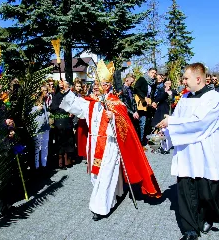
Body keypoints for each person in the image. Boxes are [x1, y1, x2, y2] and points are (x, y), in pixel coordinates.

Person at [158, 63, 219, 240]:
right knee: (185, 190)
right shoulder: (185, 97)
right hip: (186, 152)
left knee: (206, 192)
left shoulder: (213, 97)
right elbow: (179, 120)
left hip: (205, 153)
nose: (184, 82)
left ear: (198, 79)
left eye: (186, 78)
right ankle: (190, 230)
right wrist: (165, 132)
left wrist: (171, 123)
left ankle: (208, 217)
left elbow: (200, 123)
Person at [59, 61, 161, 221]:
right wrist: (66, 92)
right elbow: (78, 106)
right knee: (97, 175)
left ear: (107, 85)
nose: (94, 86)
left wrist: (113, 117)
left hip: (110, 144)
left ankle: (100, 207)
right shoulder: (92, 102)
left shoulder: (116, 103)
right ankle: (115, 194)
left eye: (98, 84)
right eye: (94, 84)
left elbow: (124, 124)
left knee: (106, 174)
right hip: (94, 144)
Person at [134, 68, 158, 146]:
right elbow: (136, 88)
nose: (153, 74)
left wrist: (153, 101)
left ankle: (141, 142)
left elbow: (152, 94)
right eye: (152, 72)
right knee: (138, 123)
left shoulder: (154, 83)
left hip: (147, 105)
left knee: (144, 123)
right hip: (139, 103)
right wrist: (144, 97)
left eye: (155, 73)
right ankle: (137, 141)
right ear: (148, 72)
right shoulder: (142, 79)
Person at [31, 85, 50, 171]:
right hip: (37, 128)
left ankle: (44, 164)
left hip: (45, 127)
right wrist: (36, 109)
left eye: (46, 90)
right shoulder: (33, 101)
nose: (46, 92)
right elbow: (28, 113)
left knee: (45, 146)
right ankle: (37, 166)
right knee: (37, 147)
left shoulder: (45, 101)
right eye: (44, 91)